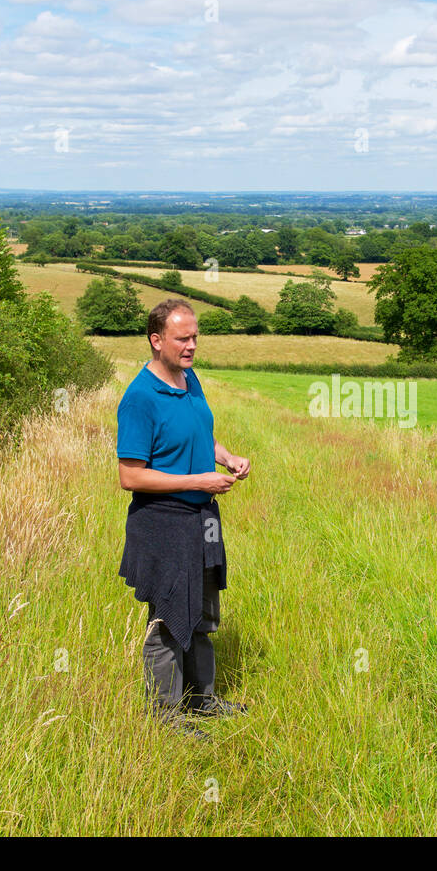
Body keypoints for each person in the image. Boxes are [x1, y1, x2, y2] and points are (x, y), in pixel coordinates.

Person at [116, 298, 252, 741]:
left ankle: (202, 702)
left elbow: (200, 431)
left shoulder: (189, 379)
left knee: (202, 615)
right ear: (157, 341)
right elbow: (129, 475)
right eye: (182, 338)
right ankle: (167, 720)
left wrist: (225, 456)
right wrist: (198, 480)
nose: (192, 345)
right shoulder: (139, 398)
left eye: (195, 337)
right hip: (164, 523)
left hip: (203, 519)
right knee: (171, 620)